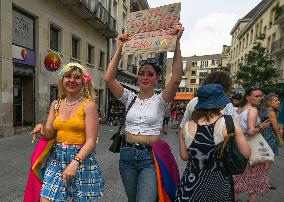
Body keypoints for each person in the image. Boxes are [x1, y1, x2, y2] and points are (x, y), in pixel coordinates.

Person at [104, 23, 184, 201]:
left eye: (150, 74)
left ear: (157, 78)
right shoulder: (129, 97)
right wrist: (119, 48)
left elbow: (176, 78)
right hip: (127, 155)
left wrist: (176, 43)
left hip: (149, 157)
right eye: (142, 73)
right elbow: (108, 79)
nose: (145, 77)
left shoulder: (160, 100)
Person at [31, 63, 105, 202]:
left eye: (77, 77)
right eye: (68, 76)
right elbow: (49, 133)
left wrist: (75, 162)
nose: (72, 80)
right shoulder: (56, 104)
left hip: (81, 160)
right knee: (45, 199)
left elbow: (91, 141)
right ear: (62, 80)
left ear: (83, 81)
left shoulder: (89, 105)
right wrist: (41, 128)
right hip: (57, 158)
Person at [175, 84, 250, 202]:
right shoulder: (229, 123)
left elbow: (184, 156)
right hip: (219, 184)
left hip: (191, 182)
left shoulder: (186, 126)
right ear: (221, 104)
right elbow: (246, 153)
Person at [234, 86, 271, 202]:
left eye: (261, 96)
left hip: (238, 144)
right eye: (257, 96)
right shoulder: (253, 110)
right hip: (252, 147)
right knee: (255, 178)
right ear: (248, 97)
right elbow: (250, 131)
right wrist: (261, 126)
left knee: (238, 176)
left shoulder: (240, 109)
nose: (260, 98)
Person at [260, 94, 284, 189]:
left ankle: (261, 181)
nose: (278, 102)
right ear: (269, 102)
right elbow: (276, 128)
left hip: (264, 137)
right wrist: (281, 139)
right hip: (270, 138)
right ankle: (263, 183)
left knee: (264, 161)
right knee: (268, 161)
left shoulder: (264, 110)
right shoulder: (271, 112)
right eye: (276, 100)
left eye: (278, 100)